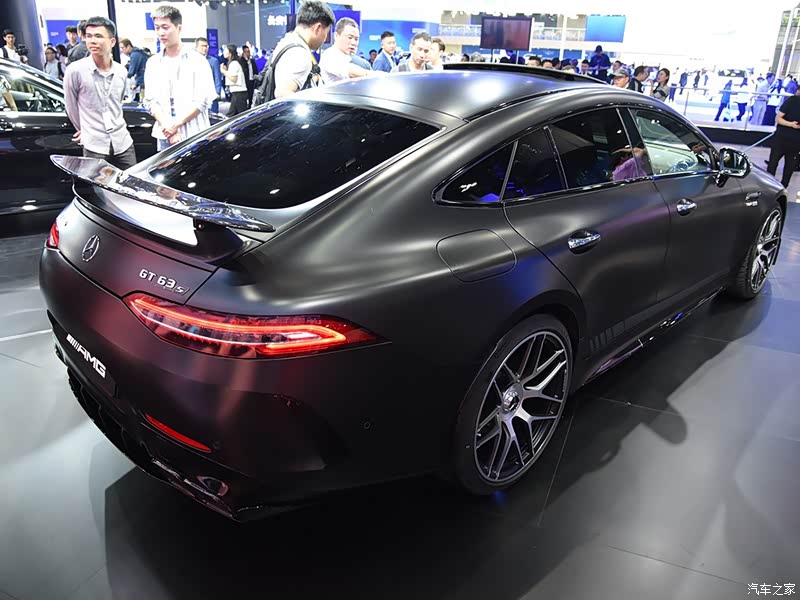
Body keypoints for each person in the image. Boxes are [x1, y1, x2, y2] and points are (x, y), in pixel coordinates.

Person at [62, 16, 136, 170]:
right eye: (89, 36)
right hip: (94, 144)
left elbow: (118, 102)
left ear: (112, 42)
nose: (92, 41)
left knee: (131, 182)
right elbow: (71, 106)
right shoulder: (75, 70)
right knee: (95, 185)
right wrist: (84, 129)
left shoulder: (121, 71)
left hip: (122, 141)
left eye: (98, 36)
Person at [143, 5, 216, 151]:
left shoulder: (197, 60)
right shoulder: (153, 62)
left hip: (194, 134)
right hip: (165, 135)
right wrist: (168, 127)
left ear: (179, 28)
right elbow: (150, 101)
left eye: (165, 27)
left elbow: (202, 101)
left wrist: (175, 125)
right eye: (157, 28)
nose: (161, 32)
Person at [269, 1, 334, 99]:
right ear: (318, 28)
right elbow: (282, 93)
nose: (325, 39)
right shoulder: (300, 54)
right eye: (326, 33)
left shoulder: (288, 41)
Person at [766, 83, 800, 188]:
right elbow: (778, 118)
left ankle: (780, 188)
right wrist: (791, 124)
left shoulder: (792, 100)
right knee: (773, 164)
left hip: (795, 143)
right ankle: (770, 186)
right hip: (781, 139)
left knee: (789, 168)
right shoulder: (792, 100)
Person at [320, 17, 371, 84]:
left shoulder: (347, 57)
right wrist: (379, 75)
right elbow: (352, 72)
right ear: (336, 35)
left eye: (356, 39)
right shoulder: (329, 55)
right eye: (350, 37)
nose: (353, 43)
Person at [195, 37, 222, 114]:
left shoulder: (213, 61)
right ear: (196, 47)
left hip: (211, 95)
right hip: (197, 96)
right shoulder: (191, 61)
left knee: (213, 117)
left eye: (206, 46)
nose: (204, 48)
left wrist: (217, 93)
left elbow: (217, 78)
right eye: (202, 46)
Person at [221, 44, 247, 116]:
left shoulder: (234, 63)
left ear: (230, 52)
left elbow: (234, 79)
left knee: (238, 115)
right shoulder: (232, 63)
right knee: (237, 114)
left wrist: (224, 72)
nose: (224, 52)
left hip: (239, 93)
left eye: (225, 50)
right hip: (237, 92)